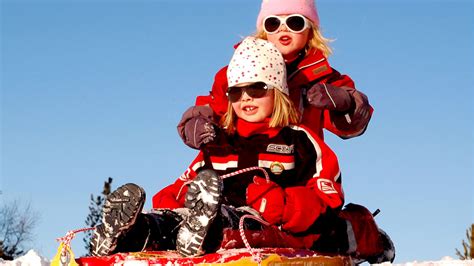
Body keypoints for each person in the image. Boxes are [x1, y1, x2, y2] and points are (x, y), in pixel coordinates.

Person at [91, 37, 394, 264]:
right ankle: (133, 233)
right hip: (206, 218)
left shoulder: (299, 141)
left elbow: (327, 201)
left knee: (234, 224)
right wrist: (176, 199)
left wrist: (282, 204)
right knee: (172, 221)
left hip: (265, 226)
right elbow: (183, 184)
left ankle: (202, 230)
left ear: (277, 93)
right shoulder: (219, 144)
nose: (246, 97)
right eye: (236, 92)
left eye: (257, 88)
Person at [178, 0, 373, 151]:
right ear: (264, 30)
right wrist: (196, 123)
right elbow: (216, 106)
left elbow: (351, 127)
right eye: (273, 23)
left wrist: (345, 103)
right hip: (244, 157)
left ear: (310, 30)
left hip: (299, 164)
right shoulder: (240, 70)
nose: (283, 28)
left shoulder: (322, 77)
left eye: (295, 22)